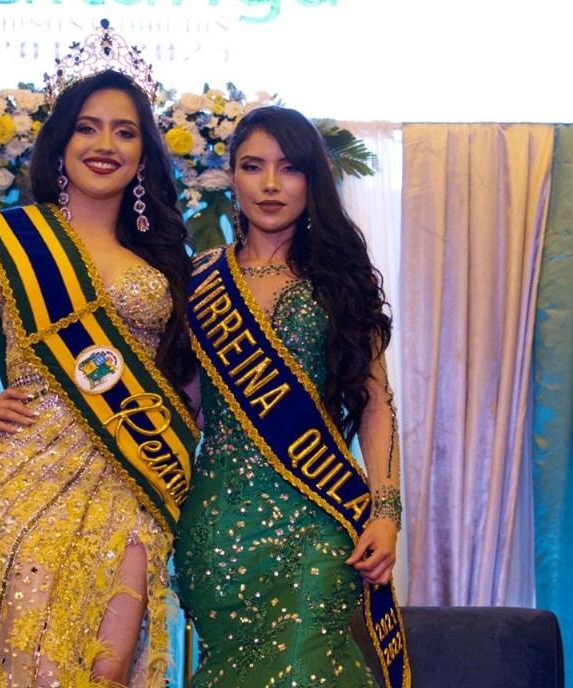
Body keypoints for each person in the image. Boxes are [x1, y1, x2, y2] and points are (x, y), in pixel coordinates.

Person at [0, 23, 199, 688]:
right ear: (61, 143)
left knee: (112, 667)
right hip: (32, 471)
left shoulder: (162, 256)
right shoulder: (9, 240)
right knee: (36, 659)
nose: (105, 144)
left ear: (144, 154)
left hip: (135, 470)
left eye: (125, 131)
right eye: (88, 127)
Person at [174, 106, 410, 688]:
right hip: (217, 526)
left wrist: (386, 513)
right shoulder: (198, 281)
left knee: (312, 667)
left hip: (319, 517)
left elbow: (376, 404)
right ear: (231, 177)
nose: (271, 184)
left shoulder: (341, 280)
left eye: (289, 168)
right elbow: (185, 407)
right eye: (253, 167)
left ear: (313, 180)